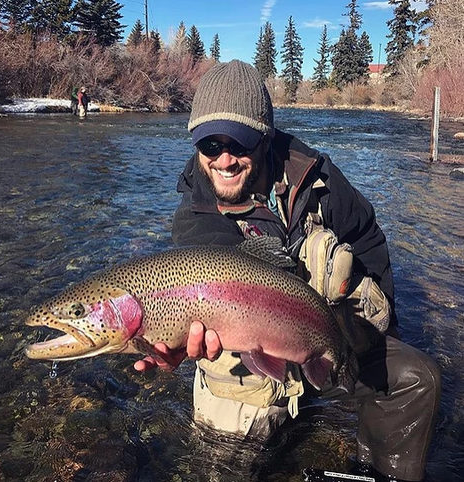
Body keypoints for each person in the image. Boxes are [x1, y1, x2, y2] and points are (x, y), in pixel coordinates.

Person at [134, 60, 441, 482]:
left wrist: (382, 328)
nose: (224, 160)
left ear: (265, 137)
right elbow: (190, 313)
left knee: (417, 380)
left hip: (324, 336)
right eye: (210, 146)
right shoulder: (194, 220)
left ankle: (376, 473)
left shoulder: (317, 178)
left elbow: (367, 235)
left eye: (238, 144)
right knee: (222, 465)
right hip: (252, 369)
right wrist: (168, 348)